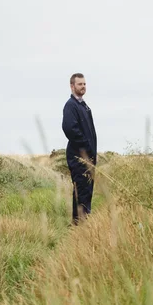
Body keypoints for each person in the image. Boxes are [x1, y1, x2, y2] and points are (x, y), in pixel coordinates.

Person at [62, 73, 97, 224]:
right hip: (79, 157)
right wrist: (86, 147)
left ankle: (82, 224)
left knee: (87, 191)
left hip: (88, 157)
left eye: (84, 84)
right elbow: (70, 129)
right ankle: (79, 225)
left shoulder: (83, 106)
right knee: (81, 190)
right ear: (72, 86)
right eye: (80, 84)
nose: (83, 87)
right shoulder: (71, 106)